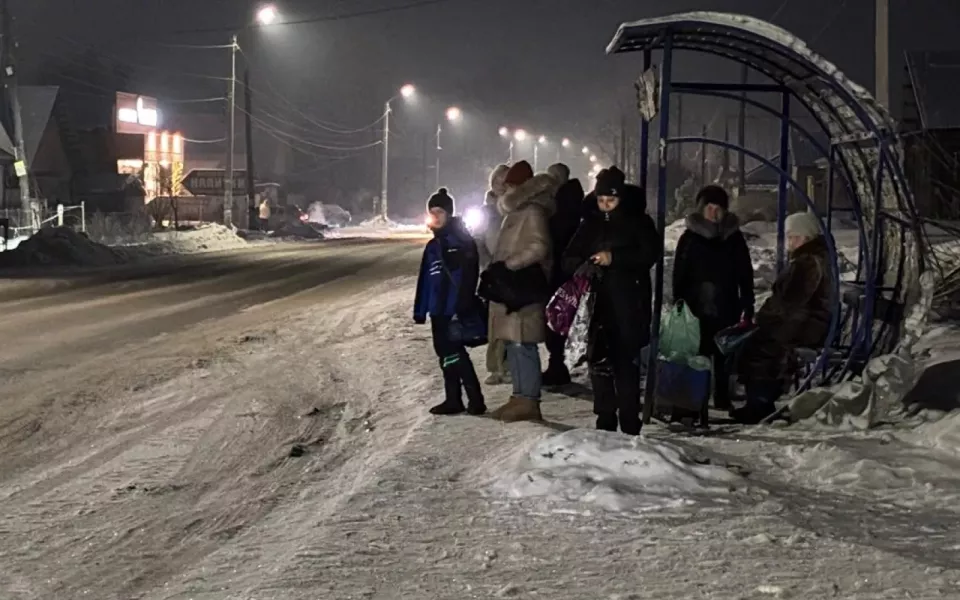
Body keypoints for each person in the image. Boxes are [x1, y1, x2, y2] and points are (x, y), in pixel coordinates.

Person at [562, 167, 660, 435]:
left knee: (625, 364)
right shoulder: (590, 223)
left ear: (621, 199)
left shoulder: (639, 222)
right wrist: (584, 266)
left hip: (628, 303)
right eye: (601, 200)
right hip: (596, 306)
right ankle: (604, 418)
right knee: (599, 364)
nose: (605, 206)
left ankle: (629, 421)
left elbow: (649, 253)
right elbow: (569, 256)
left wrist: (614, 258)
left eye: (611, 201)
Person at [733, 211, 832, 424]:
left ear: (806, 237)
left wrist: (765, 321)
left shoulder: (807, 262)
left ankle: (760, 403)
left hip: (805, 324)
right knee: (757, 339)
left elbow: (791, 302)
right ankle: (759, 401)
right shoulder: (808, 259)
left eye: (794, 236)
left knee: (760, 346)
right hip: (803, 320)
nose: (790, 241)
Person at [672, 185, 755, 410]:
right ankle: (696, 396)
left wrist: (748, 301)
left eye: (718, 208)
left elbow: (744, 271)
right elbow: (679, 271)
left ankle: (721, 395)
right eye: (709, 207)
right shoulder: (690, 237)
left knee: (723, 351)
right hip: (696, 302)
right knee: (698, 351)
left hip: (726, 301)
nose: (713, 212)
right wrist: (678, 302)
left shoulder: (732, 237)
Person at [488, 160, 558, 422]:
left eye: (508, 185)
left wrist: (509, 265)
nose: (504, 190)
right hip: (512, 290)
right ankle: (519, 396)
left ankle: (529, 399)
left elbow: (539, 246)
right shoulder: (517, 211)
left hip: (522, 289)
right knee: (515, 345)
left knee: (523, 344)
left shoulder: (532, 211)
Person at [414, 187, 486, 416]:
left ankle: (475, 400)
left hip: (453, 308)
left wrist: (463, 303)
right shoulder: (432, 246)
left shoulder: (462, 241)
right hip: (437, 310)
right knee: (445, 353)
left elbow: (471, 274)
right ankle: (453, 398)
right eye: (432, 212)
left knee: (456, 352)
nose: (435, 216)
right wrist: (420, 310)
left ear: (449, 213)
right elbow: (425, 280)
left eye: (440, 211)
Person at [542, 162, 585, 387]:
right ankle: (557, 364)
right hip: (566, 270)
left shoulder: (562, 207)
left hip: (561, 270)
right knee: (559, 318)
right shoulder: (572, 201)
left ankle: (557, 366)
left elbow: (558, 238)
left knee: (556, 318)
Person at [477, 164, 511, 386]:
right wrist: (486, 265)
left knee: (513, 320)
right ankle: (496, 366)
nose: (500, 184)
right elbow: (478, 240)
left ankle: (509, 365)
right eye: (497, 180)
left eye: (505, 180)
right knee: (495, 321)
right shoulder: (487, 210)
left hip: (513, 268)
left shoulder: (515, 206)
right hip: (493, 270)